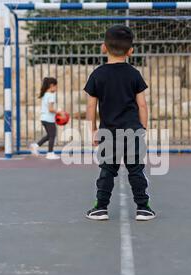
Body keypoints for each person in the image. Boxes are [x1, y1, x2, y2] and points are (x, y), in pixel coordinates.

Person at [84, 25, 156, 222]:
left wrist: (92, 131)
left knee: (107, 170)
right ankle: (143, 208)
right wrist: (143, 128)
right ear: (131, 51)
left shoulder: (97, 75)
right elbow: (142, 105)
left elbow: (91, 107)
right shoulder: (134, 74)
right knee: (136, 170)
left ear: (103, 47)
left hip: (108, 133)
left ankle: (100, 208)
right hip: (133, 131)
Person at [30, 77, 61, 160]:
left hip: (43, 118)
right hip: (49, 119)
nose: (57, 88)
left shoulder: (45, 94)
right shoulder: (51, 95)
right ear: (51, 86)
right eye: (56, 86)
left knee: (49, 135)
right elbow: (50, 109)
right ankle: (50, 153)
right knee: (52, 135)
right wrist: (58, 111)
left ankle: (35, 146)